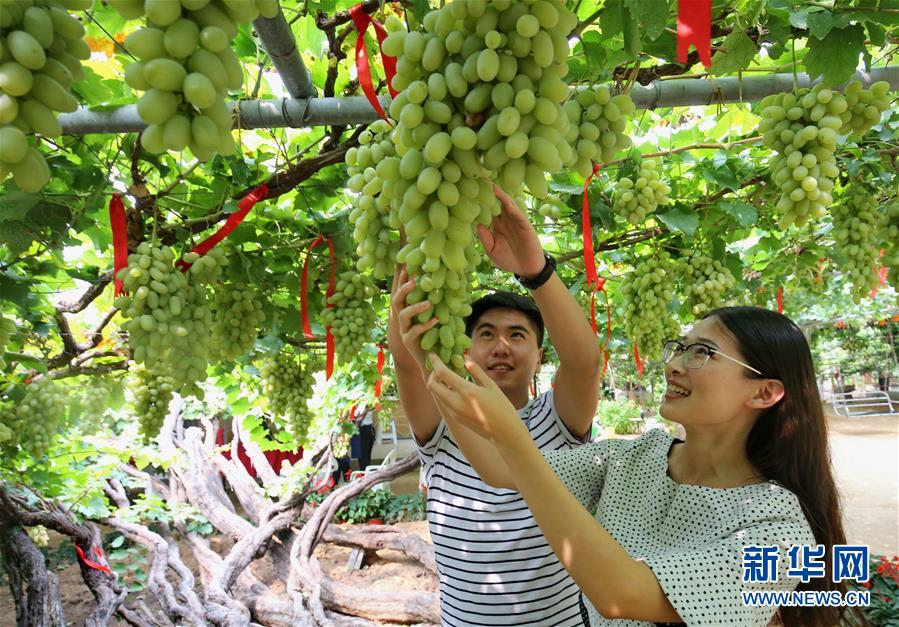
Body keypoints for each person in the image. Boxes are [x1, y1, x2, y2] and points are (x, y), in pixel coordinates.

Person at [425, 306, 863, 627]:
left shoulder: (777, 529)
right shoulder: (634, 456)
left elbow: (622, 595)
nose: (673, 365)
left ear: (765, 393)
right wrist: (429, 358)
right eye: (680, 348)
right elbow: (504, 470)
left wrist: (512, 435)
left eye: (703, 353)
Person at [389, 184, 603, 625]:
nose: (501, 345)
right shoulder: (444, 423)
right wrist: (418, 238)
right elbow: (409, 366)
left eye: (518, 335)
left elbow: (584, 363)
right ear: (465, 350)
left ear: (541, 356)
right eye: (486, 334)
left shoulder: (557, 421)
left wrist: (536, 270)